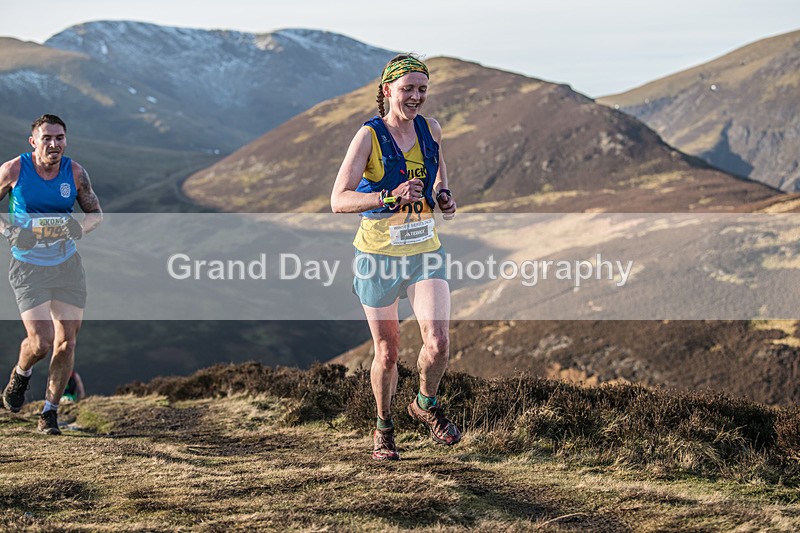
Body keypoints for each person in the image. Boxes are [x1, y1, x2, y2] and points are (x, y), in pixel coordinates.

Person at [331, 55, 459, 460]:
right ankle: (384, 428)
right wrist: (388, 196)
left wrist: (442, 194)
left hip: (424, 251)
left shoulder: (430, 128)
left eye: (422, 89)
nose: (416, 97)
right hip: (378, 255)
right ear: (387, 90)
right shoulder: (368, 136)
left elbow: (438, 169)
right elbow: (338, 200)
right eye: (408, 89)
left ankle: (424, 404)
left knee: (438, 343)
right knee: (387, 352)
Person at [1, 114, 102, 435]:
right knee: (42, 342)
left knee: (66, 343)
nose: (54, 144)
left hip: (66, 265)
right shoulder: (14, 170)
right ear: (34, 142)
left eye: (59, 138)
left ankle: (49, 413)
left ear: (65, 140)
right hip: (28, 267)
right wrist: (10, 231)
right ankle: (21, 374)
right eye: (47, 138)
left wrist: (78, 228)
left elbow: (95, 214)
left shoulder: (75, 173)